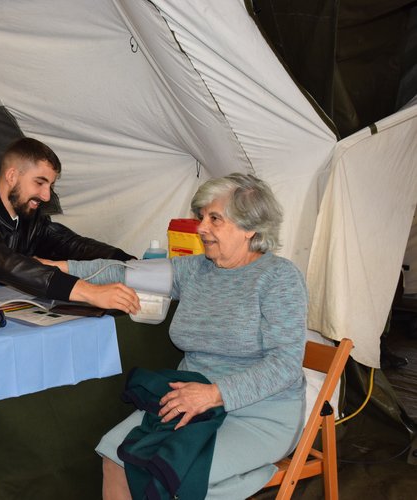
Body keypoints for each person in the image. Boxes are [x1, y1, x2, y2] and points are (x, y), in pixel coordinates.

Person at [45, 173, 308, 499]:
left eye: (215, 219)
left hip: (258, 413)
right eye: (202, 217)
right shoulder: (196, 269)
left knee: (180, 476)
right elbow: (124, 271)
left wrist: (213, 394)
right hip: (187, 402)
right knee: (115, 454)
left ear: (250, 227)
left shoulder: (279, 279)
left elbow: (285, 365)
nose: (201, 228)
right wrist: (55, 268)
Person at [0, 137, 137, 304]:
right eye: (39, 183)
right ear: (12, 176)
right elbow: (5, 263)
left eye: (50, 186)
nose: (46, 196)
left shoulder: (28, 218)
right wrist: (89, 292)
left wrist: (129, 263)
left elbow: (71, 244)